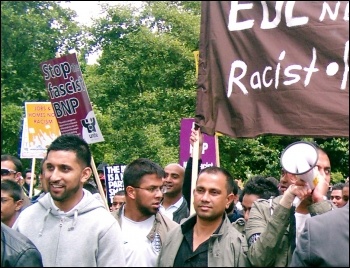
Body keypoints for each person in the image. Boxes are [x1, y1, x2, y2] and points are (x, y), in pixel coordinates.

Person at [12, 134, 126, 267]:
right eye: (50, 168)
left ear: (85, 174)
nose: (54, 177)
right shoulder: (26, 218)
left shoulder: (104, 225)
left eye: (64, 169)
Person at [245, 143, 335, 267]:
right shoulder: (263, 208)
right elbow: (258, 259)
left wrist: (319, 202)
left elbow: (340, 253)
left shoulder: (336, 213)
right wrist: (285, 204)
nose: (323, 176)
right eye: (316, 168)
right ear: (293, 175)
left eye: (327, 171)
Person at [157, 166, 249, 267]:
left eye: (214, 192)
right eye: (200, 190)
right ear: (194, 193)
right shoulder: (173, 236)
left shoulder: (237, 246)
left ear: (228, 200)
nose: (205, 198)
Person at [111, 157, 178, 267]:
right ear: (131, 192)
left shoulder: (172, 231)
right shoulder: (105, 226)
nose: (159, 195)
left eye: (161, 188)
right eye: (152, 189)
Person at [289, 198, 349, 266]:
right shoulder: (314, 226)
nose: (334, 201)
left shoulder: (316, 226)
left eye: (338, 197)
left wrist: (320, 200)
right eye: (332, 197)